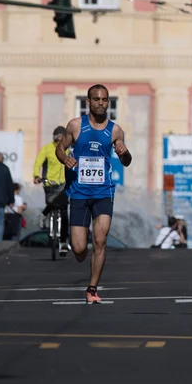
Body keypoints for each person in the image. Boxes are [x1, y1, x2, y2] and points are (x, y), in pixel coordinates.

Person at [56, 84, 132, 304]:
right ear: (88, 102)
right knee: (80, 251)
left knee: (100, 240)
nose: (101, 103)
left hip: (103, 192)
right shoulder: (75, 126)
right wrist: (65, 159)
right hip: (79, 192)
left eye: (105, 100)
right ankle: (81, 236)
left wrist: (125, 153)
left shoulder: (115, 130)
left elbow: (126, 161)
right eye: (97, 99)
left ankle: (92, 289)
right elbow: (60, 148)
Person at [34, 126, 70, 253]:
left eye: (62, 136)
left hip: (64, 183)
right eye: (57, 136)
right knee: (51, 202)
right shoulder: (47, 149)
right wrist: (36, 176)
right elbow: (38, 162)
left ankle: (64, 242)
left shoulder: (68, 149)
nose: (59, 139)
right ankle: (44, 215)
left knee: (65, 213)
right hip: (49, 182)